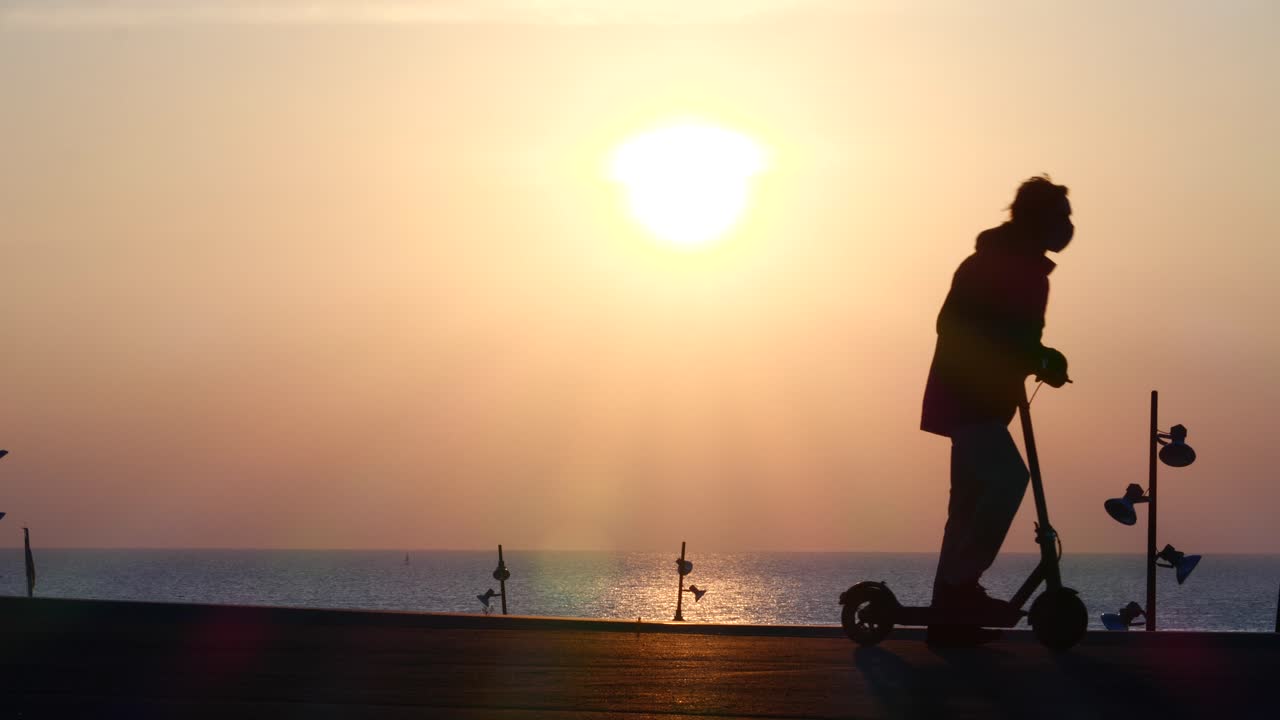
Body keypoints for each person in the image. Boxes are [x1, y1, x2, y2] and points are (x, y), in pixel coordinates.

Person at [921, 175, 1073, 646]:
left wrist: (1038, 355)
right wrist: (1029, 354)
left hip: (986, 399)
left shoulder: (1027, 269)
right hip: (969, 397)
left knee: (966, 504)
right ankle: (959, 587)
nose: (1068, 227)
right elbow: (956, 324)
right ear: (1038, 221)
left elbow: (1018, 335)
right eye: (1061, 217)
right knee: (1008, 479)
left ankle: (949, 616)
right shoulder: (991, 264)